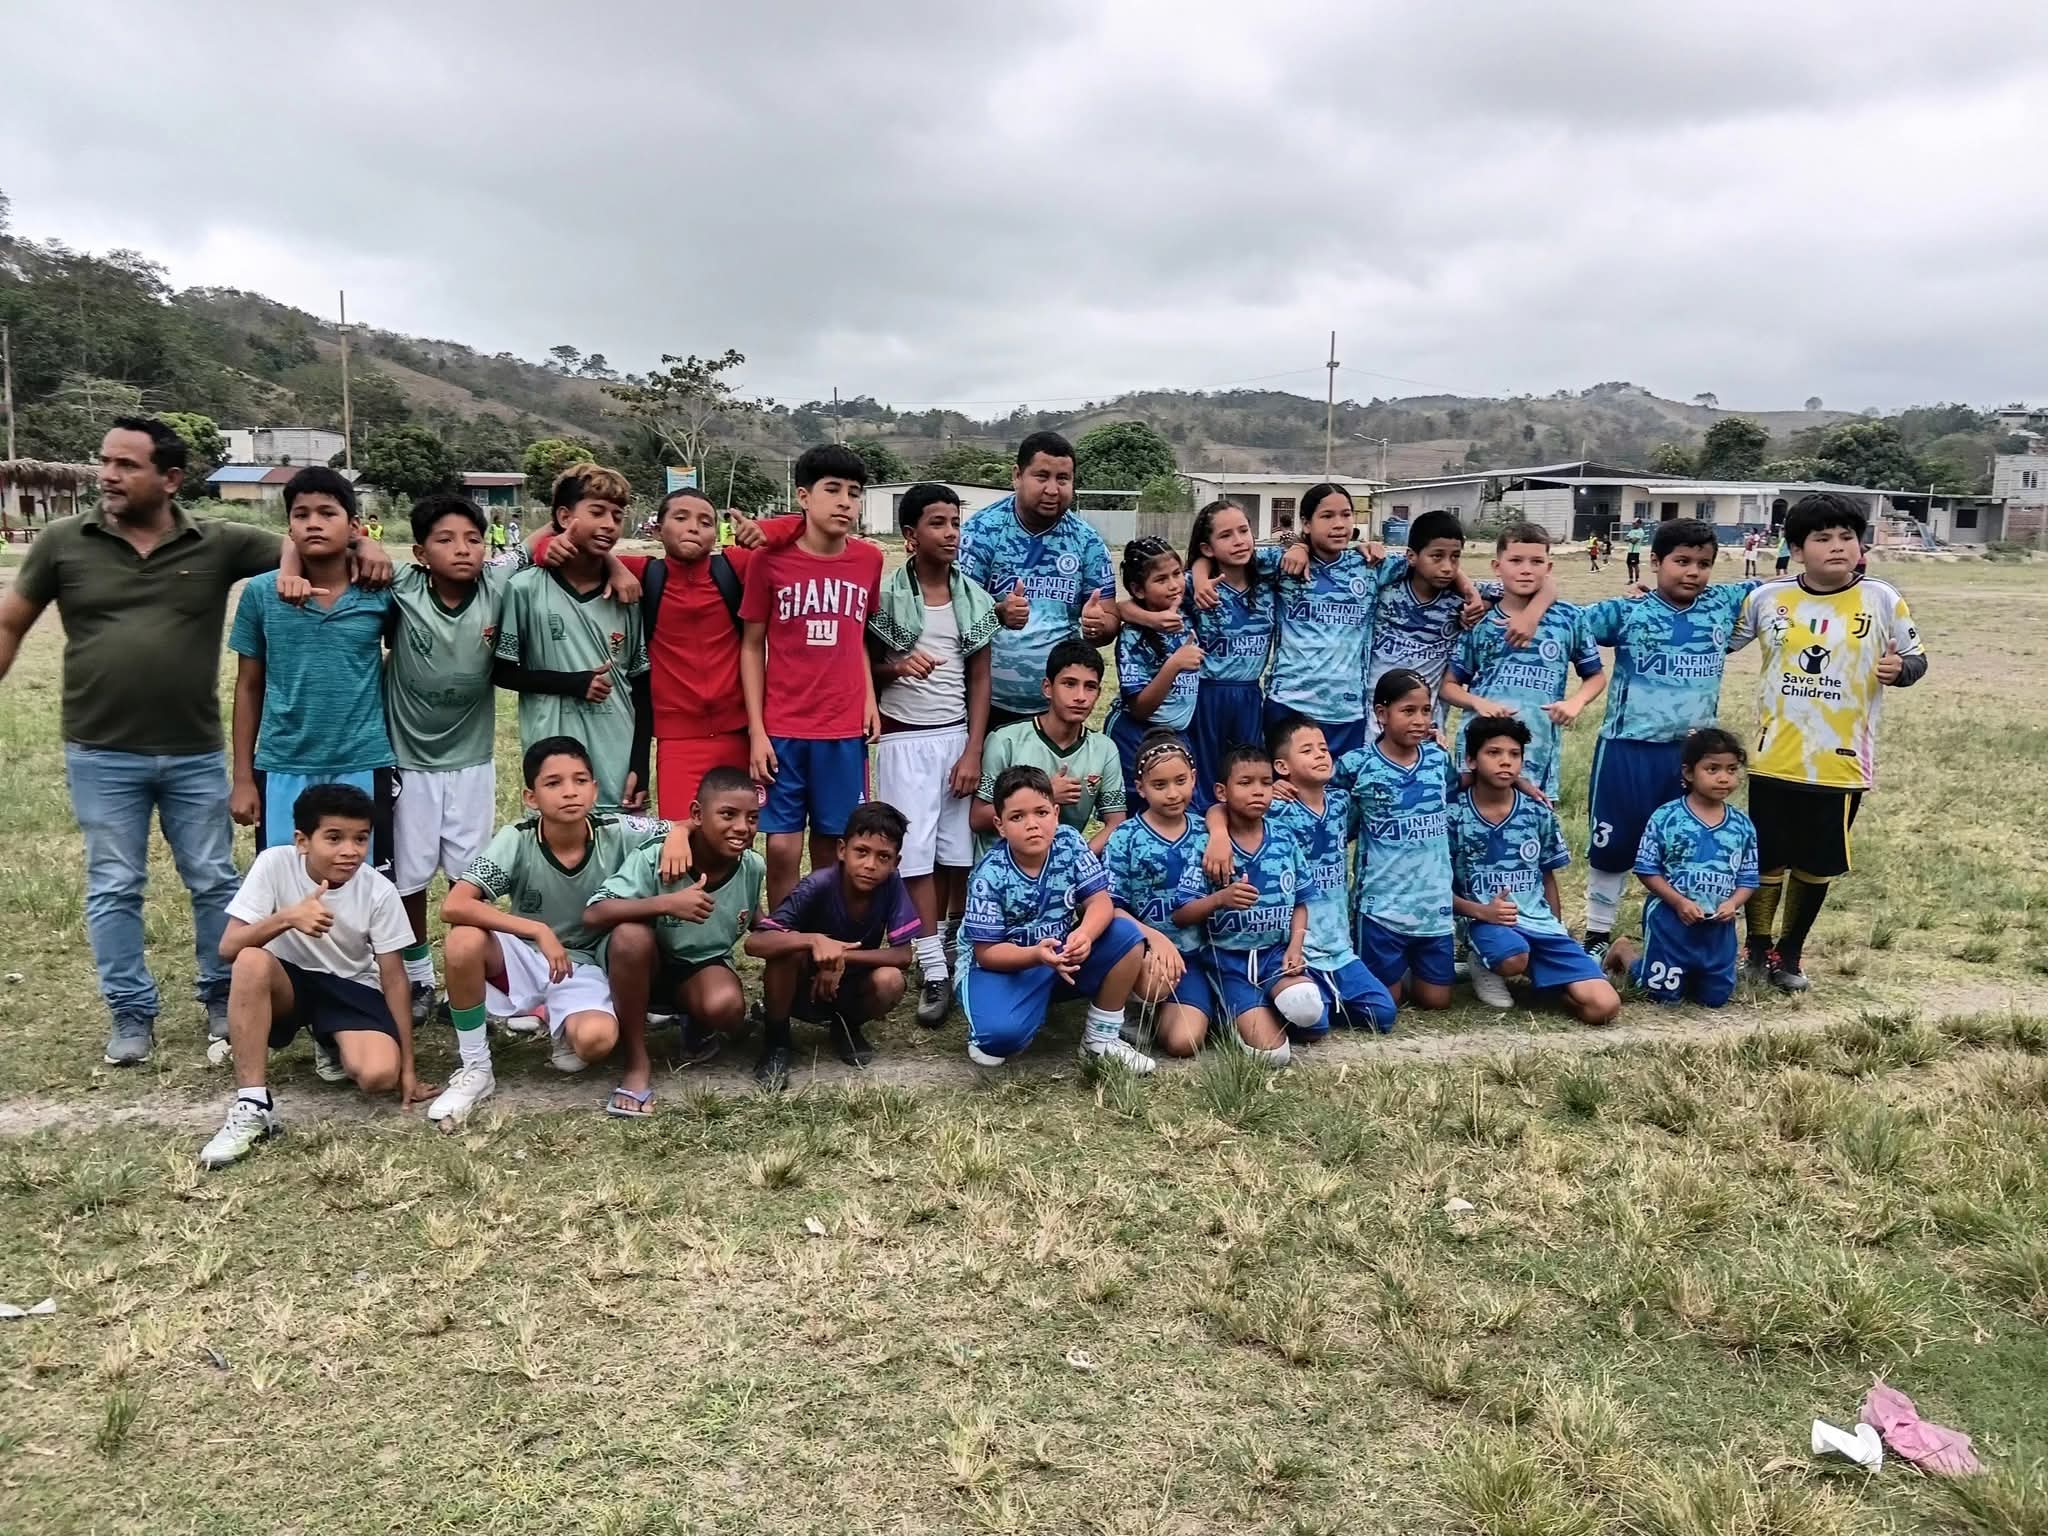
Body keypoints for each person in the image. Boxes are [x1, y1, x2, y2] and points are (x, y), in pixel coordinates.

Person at [0, 417, 389, 1065]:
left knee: (213, 880)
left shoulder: (216, 541)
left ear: (170, 478)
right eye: (106, 461)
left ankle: (220, 995)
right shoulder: (63, 542)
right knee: (114, 883)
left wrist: (368, 545)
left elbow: (304, 538)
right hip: (100, 751)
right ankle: (131, 1011)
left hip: (195, 752)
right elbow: (11, 624)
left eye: (126, 465)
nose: (108, 475)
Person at [1730, 493, 1927, 993]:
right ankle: (1757, 947)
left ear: (1860, 546)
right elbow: (1718, 639)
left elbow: (1916, 658)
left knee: (1816, 864)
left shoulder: (1882, 599)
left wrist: (1901, 669)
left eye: (1847, 537)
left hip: (1839, 763)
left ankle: (1790, 953)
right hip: (1774, 756)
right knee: (1766, 859)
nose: (1838, 546)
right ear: (1797, 550)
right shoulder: (1766, 599)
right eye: (1823, 538)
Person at [432, 737, 684, 1126]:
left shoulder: (617, 829)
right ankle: (475, 1067)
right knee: (463, 939)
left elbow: (684, 824)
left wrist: (678, 835)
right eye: (553, 783)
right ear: (530, 797)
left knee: (596, 1043)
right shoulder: (517, 837)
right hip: (528, 956)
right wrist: (537, 930)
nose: (569, 792)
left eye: (580, 781)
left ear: (595, 789)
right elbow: (454, 904)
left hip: (585, 966)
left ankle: (562, 1022)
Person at [197, 784, 427, 1169]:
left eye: (360, 838)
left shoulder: (379, 890)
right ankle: (252, 1104)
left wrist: (408, 1068)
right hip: (287, 984)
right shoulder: (274, 864)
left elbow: (394, 978)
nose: (350, 850)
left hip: (350, 987)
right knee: (250, 960)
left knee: (378, 1077)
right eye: (334, 838)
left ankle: (331, 1040)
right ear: (303, 841)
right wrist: (288, 917)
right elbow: (228, 946)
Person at [1576, 519, 1757, 958]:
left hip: (1691, 756)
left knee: (1686, 846)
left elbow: (1780, 590)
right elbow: (1564, 622)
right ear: (1655, 562)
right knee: (1613, 845)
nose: (1693, 572)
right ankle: (1597, 934)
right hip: (1628, 748)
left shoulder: (1722, 603)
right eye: (1682, 561)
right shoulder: (1627, 612)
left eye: (1703, 564)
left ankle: (1675, 935)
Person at [384, 492, 531, 1022]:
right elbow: (349, 550)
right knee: (409, 878)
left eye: (472, 538)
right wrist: (364, 547)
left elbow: (546, 540)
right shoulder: (401, 586)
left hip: (472, 760)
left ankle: (470, 979)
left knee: (471, 878)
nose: (462, 549)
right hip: (410, 760)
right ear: (421, 553)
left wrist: (616, 564)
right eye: (445, 540)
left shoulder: (497, 580)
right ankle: (419, 976)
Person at [558, 485, 786, 819]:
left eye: (705, 522)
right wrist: (613, 564)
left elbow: (803, 539)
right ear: (658, 528)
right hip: (678, 739)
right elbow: (562, 552)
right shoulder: (645, 573)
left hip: (738, 733)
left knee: (734, 836)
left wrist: (766, 531)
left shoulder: (735, 567)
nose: (694, 527)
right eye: (681, 518)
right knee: (679, 835)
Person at [228, 467, 398, 879]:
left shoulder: (379, 591)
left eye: (327, 513)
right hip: (283, 764)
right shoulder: (261, 593)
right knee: (286, 883)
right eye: (301, 515)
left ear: (353, 526)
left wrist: (371, 547)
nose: (314, 523)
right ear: (289, 527)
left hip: (362, 760)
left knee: (360, 883)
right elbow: (248, 686)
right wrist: (243, 778)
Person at [868, 483, 996, 1026]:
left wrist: (973, 749)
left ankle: (946, 944)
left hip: (955, 739)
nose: (950, 533)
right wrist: (897, 667)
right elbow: (865, 669)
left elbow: (981, 680)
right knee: (913, 853)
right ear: (910, 534)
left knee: (955, 851)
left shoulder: (975, 599)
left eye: (955, 523)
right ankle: (932, 966)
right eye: (937, 523)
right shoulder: (886, 600)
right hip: (904, 740)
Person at [741, 444, 884, 910]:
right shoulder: (769, 560)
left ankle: (823, 935)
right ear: (803, 496)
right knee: (782, 847)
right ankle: (785, 939)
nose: (845, 502)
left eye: (854, 493)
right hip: (784, 728)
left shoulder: (868, 560)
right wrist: (757, 731)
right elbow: (751, 645)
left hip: (842, 729)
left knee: (832, 845)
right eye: (833, 490)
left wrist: (868, 699)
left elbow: (858, 635)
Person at [956, 766, 1155, 1072]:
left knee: (1126, 934)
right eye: (1017, 817)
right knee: (998, 1040)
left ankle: (1100, 1039)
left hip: (1058, 952)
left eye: (1041, 812)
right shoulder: (989, 875)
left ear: (1056, 813)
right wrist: (1036, 955)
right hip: (1001, 965)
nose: (1032, 825)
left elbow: (1100, 901)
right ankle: (1005, 1014)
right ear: (1000, 825)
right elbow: (987, 953)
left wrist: (1084, 934)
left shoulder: (1069, 842)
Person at [586, 766, 765, 1108]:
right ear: (697, 814)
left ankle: (696, 1023)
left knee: (726, 1007)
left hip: (699, 966)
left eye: (752, 818)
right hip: (644, 964)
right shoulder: (656, 856)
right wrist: (666, 903)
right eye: (728, 814)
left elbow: (758, 921)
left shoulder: (752, 866)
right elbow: (594, 914)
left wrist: (807, 940)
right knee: (631, 936)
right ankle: (636, 1059)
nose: (743, 827)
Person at [494, 463, 650, 812]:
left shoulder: (627, 593)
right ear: (564, 517)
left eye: (617, 516)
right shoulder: (525, 589)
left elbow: (641, 684)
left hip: (616, 755)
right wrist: (573, 683)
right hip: (551, 752)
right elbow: (502, 672)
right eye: (597, 512)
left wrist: (640, 764)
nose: (609, 524)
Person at [1451, 717, 1621, 1023]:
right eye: (1494, 753)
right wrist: (1481, 912)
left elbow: (1547, 875)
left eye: (1514, 754)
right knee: (1513, 957)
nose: (1506, 761)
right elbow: (1437, 885)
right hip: (1485, 921)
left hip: (1539, 925)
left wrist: (1557, 926)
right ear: (1471, 760)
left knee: (1604, 1007)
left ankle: (1548, 985)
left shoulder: (1536, 812)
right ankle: (1484, 963)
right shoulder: (1454, 814)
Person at [743, 801, 918, 1087]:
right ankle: (777, 1040)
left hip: (850, 985)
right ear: (842, 850)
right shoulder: (818, 885)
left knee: (891, 981)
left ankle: (846, 1026)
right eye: (861, 852)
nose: (870, 865)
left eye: (883, 857)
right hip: (804, 986)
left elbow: (903, 955)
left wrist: (840, 957)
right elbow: (756, 942)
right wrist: (815, 943)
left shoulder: (892, 885)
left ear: (895, 863)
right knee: (784, 951)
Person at [957, 432, 1120, 731]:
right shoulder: (981, 532)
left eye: (1063, 479)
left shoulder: (1088, 542)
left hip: (1057, 710)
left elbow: (1109, 618)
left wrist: (1098, 625)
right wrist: (999, 613)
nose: (1052, 489)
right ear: (1017, 476)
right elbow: (956, 613)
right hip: (986, 704)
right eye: (1042, 476)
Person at [1440, 523, 1606, 800]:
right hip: (1481, 755)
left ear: (1549, 568)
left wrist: (1575, 703)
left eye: (1536, 562)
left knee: (1534, 821)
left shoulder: (1569, 619)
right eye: (1516, 561)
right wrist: (1478, 703)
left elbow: (1596, 676)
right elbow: (1449, 686)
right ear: (1497, 566)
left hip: (1538, 753)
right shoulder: (1480, 621)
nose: (1526, 569)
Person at [1184, 744, 1323, 1063]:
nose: (1258, 791)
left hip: (1274, 956)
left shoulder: (1283, 837)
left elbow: (1301, 901)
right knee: (1274, 1056)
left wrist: (1295, 948)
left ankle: (1263, 1004)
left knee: (1310, 1015)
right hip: (1229, 961)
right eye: (1245, 783)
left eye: (1265, 782)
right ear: (1222, 791)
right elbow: (1183, 913)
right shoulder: (1208, 845)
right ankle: (1227, 1011)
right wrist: (1220, 899)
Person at [1604, 728, 1759, 1008]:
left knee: (1714, 1000)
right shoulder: (1667, 817)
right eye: (1712, 769)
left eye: (1731, 769)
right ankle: (1624, 953)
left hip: (1717, 928)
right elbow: (1646, 869)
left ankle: (1699, 971)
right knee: (1661, 996)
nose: (1723, 778)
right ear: (1688, 772)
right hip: (1671, 921)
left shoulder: (1742, 825)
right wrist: (1678, 902)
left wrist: (1733, 903)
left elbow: (1748, 878)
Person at [1335, 669, 1457, 1010]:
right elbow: (1328, 811)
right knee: (1384, 1002)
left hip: (1432, 904)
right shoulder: (1356, 765)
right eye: (1408, 711)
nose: (1419, 720)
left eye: (1426, 711)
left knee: (1436, 1001)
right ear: (1382, 713)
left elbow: (1455, 793)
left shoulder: (1438, 759)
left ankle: (1415, 967)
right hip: (1382, 905)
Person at [1264, 719, 1397, 1032]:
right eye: (1307, 750)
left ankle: (1332, 996)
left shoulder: (1341, 802)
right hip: (1297, 947)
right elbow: (1224, 810)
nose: (1320, 755)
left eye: (1323, 748)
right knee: (1313, 1027)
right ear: (1282, 766)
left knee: (1383, 1014)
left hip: (1339, 948)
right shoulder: (1273, 810)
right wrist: (1269, 788)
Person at [1356, 509, 1534, 737]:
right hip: (1372, 719)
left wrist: (1527, 615)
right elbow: (1354, 559)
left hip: (1426, 727)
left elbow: (1542, 586)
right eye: (1437, 556)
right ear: (1412, 557)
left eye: (1455, 557)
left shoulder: (1461, 600)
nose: (1448, 567)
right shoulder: (1385, 589)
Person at [1101, 733, 1217, 1058]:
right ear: (1140, 788)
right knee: (1155, 984)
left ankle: (1178, 1010)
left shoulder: (1207, 832)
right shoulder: (1125, 837)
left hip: (1193, 955)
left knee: (1183, 1043)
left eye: (1180, 781)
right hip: (1145, 953)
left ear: (1194, 778)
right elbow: (1110, 907)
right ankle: (1133, 1003)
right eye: (1159, 785)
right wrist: (1154, 937)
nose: (1173, 793)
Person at [1249, 482, 1378, 758]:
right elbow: (1224, 555)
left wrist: (1467, 589)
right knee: (1285, 783)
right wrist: (1297, 545)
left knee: (1339, 785)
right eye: (1327, 516)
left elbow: (1425, 560)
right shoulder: (1284, 563)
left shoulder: (1368, 565)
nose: (1339, 524)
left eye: (1346, 514)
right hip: (1289, 705)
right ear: (1306, 523)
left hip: (1346, 712)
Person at [972, 639, 1127, 855]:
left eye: (1090, 687)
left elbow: (1116, 822)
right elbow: (977, 817)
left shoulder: (1104, 749)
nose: (1080, 697)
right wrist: (1045, 795)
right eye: (1069, 684)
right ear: (1047, 688)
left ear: (1099, 694)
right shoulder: (1005, 741)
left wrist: (1080, 861)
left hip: (1064, 865)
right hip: (1004, 865)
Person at [1177, 500, 1280, 810]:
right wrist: (1197, 575)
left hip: (1249, 695)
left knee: (1247, 777)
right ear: (1207, 548)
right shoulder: (1192, 587)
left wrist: (1300, 547)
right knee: (1206, 780)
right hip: (1206, 695)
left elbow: (1304, 549)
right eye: (1226, 535)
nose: (1238, 541)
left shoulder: (1268, 575)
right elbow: (1130, 606)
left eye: (1243, 531)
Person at [1104, 537, 1202, 800]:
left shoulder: (1188, 610)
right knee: (1139, 804)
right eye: (1161, 579)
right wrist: (1174, 665)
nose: (1174, 585)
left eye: (1177, 574)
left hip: (1177, 733)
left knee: (1176, 803)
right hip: (1135, 736)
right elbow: (1139, 708)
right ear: (1138, 589)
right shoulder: (1133, 636)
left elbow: (1202, 569)